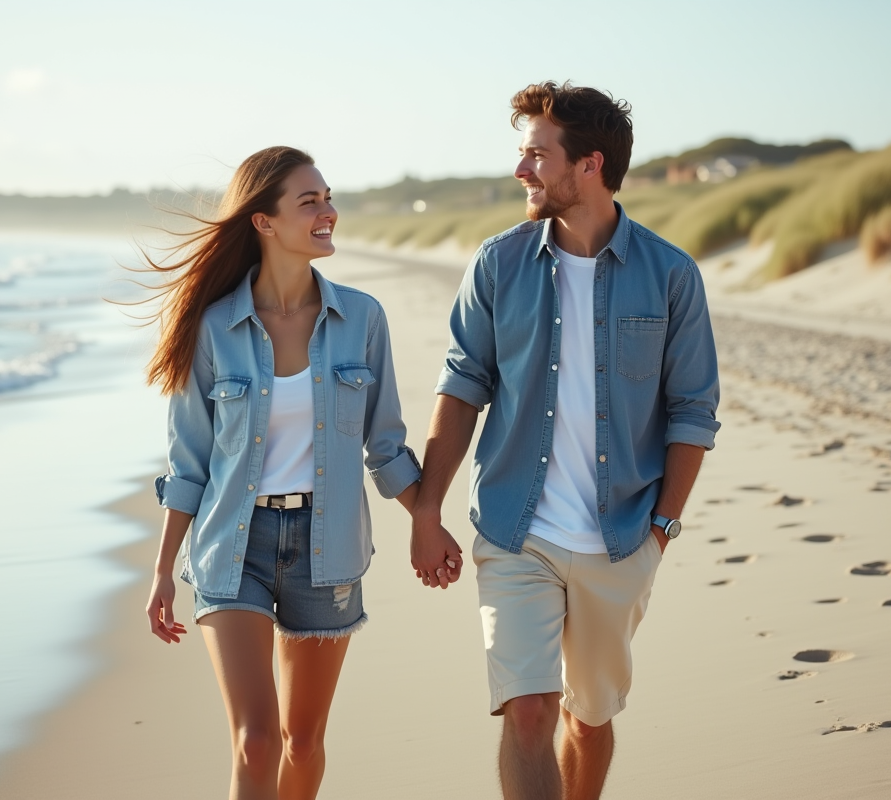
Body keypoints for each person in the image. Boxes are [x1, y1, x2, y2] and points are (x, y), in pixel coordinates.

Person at [410, 82, 721, 800]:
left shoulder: (671, 275)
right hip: (518, 530)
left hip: (621, 537)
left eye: (536, 156)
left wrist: (663, 530)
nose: (522, 171)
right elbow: (461, 389)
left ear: (590, 164)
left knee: (590, 715)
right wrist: (428, 511)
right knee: (527, 712)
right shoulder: (498, 264)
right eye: (521, 155)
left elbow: (692, 411)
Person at [142, 146, 428, 800]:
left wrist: (426, 520)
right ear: (264, 222)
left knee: (303, 743)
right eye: (310, 201)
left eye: (328, 197)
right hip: (232, 546)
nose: (328, 212)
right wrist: (162, 569)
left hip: (327, 549)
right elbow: (189, 461)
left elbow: (385, 444)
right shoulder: (213, 328)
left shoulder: (362, 319)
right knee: (258, 740)